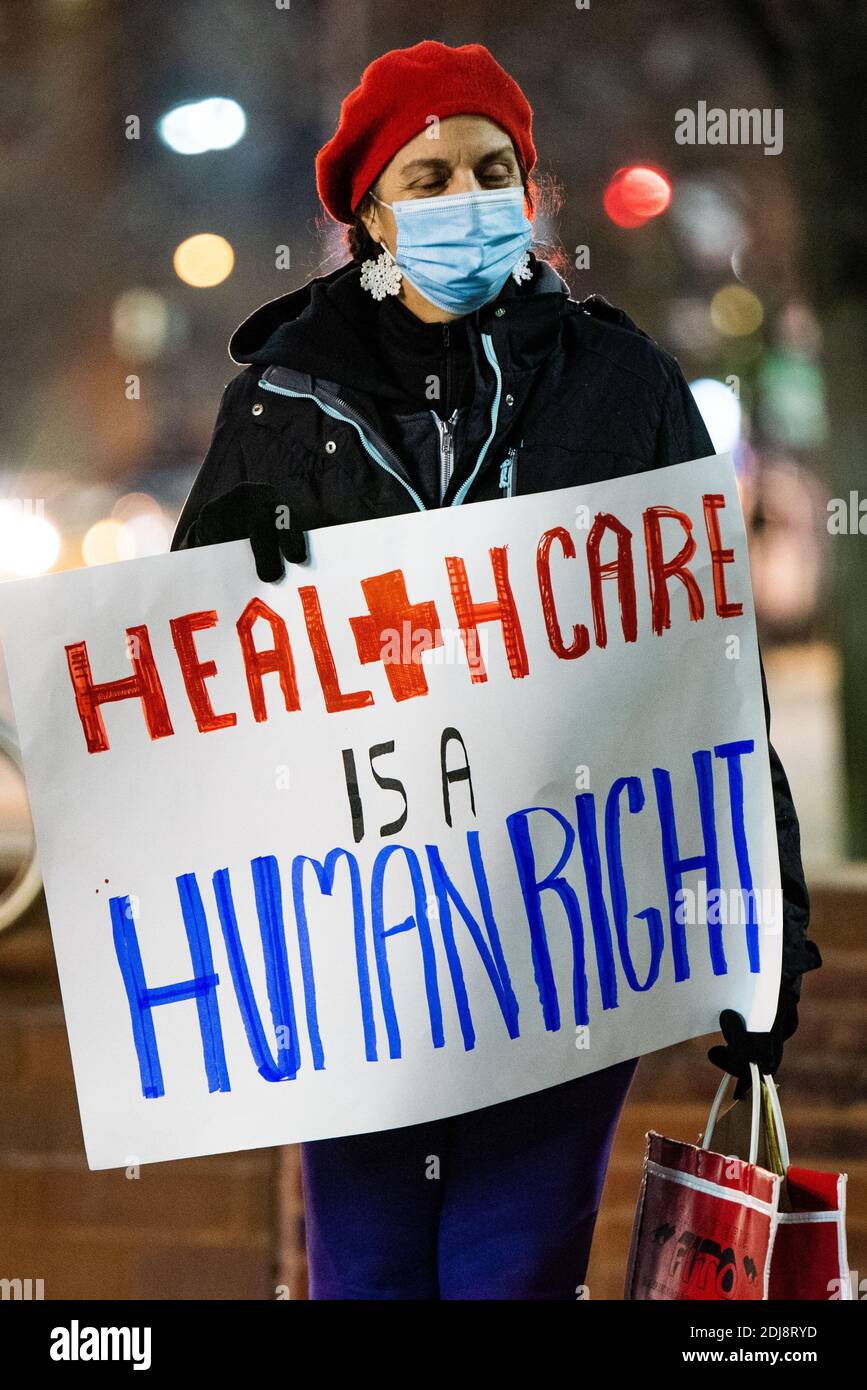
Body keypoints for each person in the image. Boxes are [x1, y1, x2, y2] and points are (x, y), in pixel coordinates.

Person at [171, 40, 821, 1300]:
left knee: (511, 1271)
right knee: (366, 1273)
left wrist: (762, 935)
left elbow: (712, 677)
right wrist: (233, 565)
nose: (466, 197)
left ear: (528, 192)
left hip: (557, 933)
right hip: (364, 946)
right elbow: (206, 689)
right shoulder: (280, 403)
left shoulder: (624, 385)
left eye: (493, 168)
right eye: (428, 175)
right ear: (368, 210)